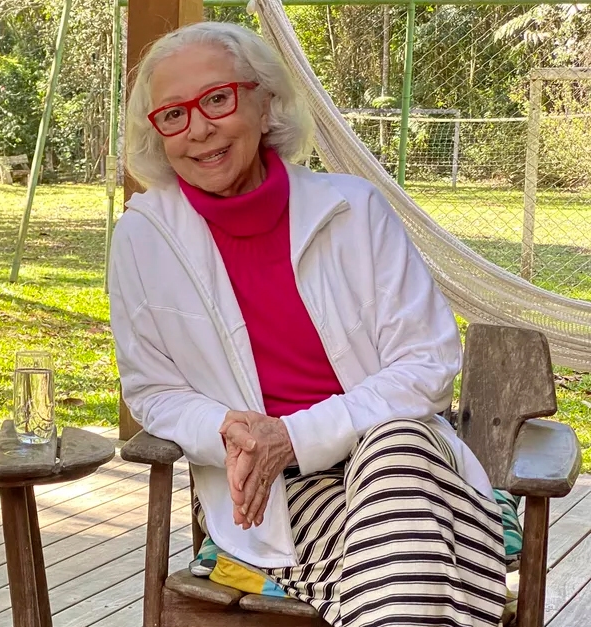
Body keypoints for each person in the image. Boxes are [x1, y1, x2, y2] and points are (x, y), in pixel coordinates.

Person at [110, 22, 507, 627]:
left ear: (264, 100)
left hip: (408, 466)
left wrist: (294, 434)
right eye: (172, 114)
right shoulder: (142, 236)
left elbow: (426, 363)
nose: (199, 128)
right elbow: (152, 390)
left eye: (217, 99)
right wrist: (232, 430)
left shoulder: (356, 210)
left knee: (397, 448)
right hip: (274, 498)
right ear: (156, 133)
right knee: (411, 568)